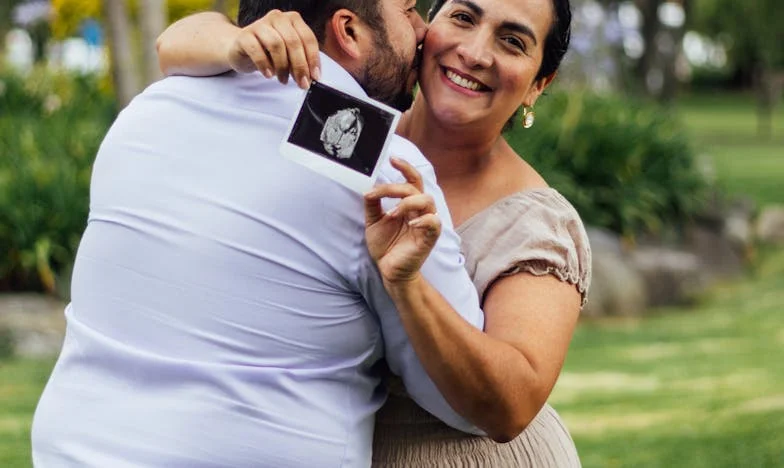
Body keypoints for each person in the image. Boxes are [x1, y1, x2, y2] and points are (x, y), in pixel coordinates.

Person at [30, 1, 499, 466]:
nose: (422, 31)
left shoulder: (147, 109)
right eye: (409, 10)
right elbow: (463, 401)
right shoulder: (385, 167)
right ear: (349, 31)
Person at [157, 0, 592, 466]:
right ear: (427, 26)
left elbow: (511, 407)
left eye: (512, 41)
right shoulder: (349, 133)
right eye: (463, 18)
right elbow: (175, 44)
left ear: (538, 84)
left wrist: (409, 288)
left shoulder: (539, 223)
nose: (475, 52)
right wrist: (234, 41)